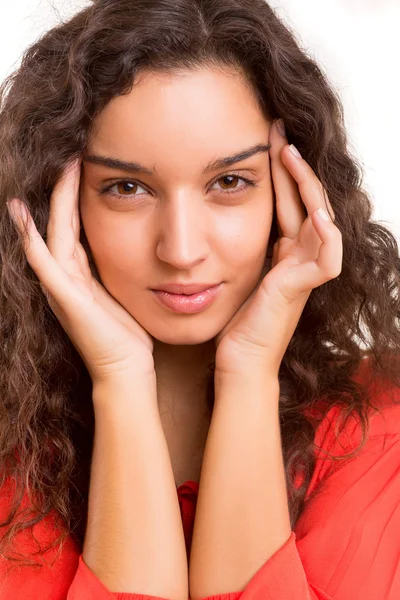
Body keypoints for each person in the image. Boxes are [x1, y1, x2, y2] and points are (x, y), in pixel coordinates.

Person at [0, 0, 399, 598]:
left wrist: (251, 370)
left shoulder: (385, 431)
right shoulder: (11, 454)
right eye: (127, 188)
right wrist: (120, 380)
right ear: (59, 204)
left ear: (294, 189)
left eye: (229, 183)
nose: (182, 250)